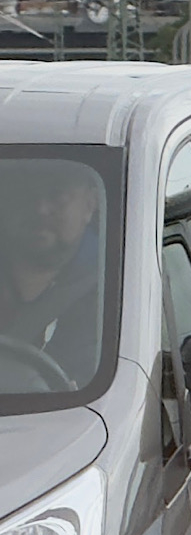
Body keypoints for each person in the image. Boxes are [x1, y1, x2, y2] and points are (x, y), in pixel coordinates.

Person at [0, 164, 104, 384]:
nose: (40, 208)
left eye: (57, 194)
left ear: (90, 203)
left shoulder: (117, 289)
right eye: (25, 193)